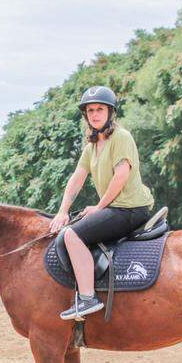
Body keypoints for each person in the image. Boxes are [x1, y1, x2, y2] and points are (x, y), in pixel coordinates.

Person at [48, 86, 156, 320]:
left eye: (100, 109)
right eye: (90, 110)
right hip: (114, 207)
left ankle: (87, 299)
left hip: (130, 208)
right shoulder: (91, 147)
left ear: (110, 112)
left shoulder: (121, 138)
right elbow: (76, 179)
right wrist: (62, 211)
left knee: (71, 235)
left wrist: (98, 208)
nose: (94, 114)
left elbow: (121, 177)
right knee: (69, 226)